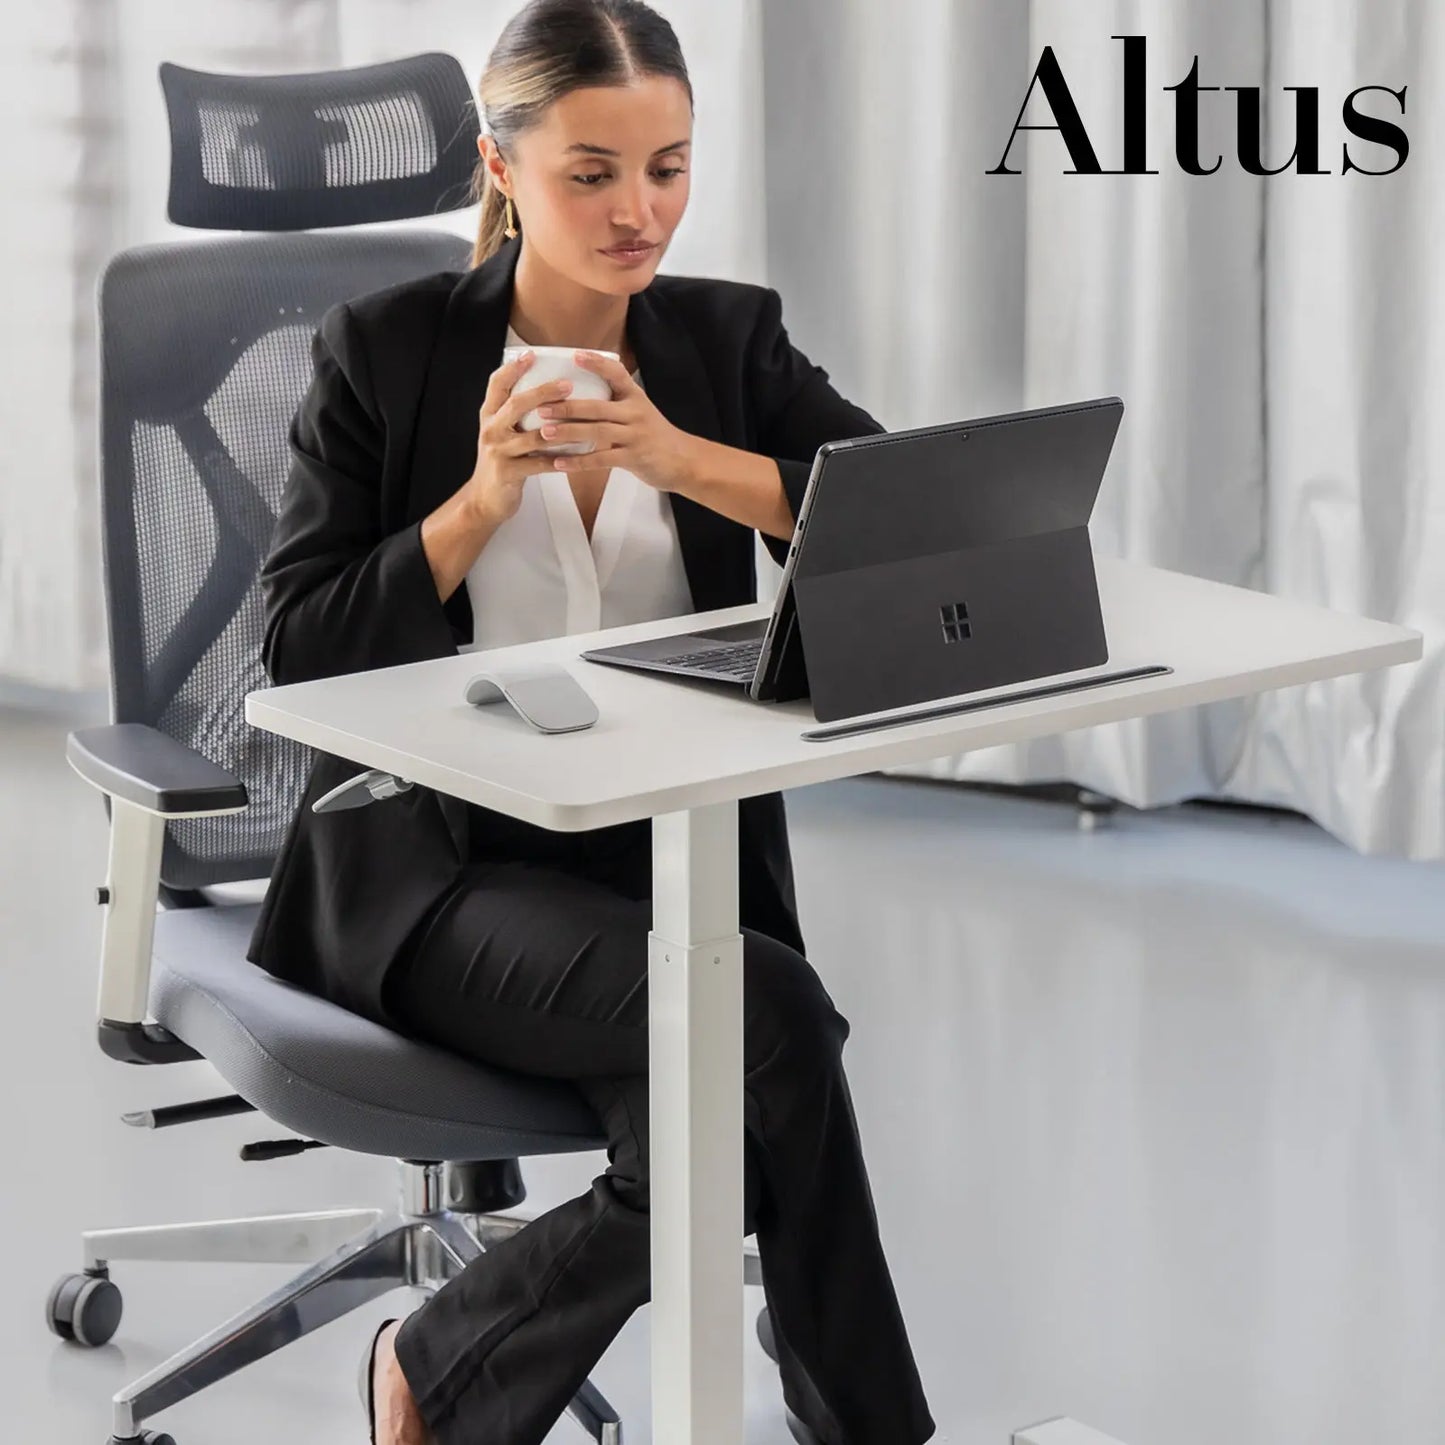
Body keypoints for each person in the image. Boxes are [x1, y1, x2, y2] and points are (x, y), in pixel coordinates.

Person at [247, 1, 936, 1441]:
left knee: (727, 1129)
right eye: (592, 172)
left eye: (669, 167)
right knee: (769, 1026)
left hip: (654, 864)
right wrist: (476, 504)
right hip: (432, 875)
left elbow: (904, 519)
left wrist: (684, 456)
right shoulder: (383, 353)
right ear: (502, 167)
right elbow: (295, 649)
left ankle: (437, 1370)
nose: (640, 212)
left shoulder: (722, 339)